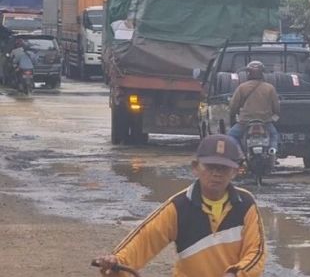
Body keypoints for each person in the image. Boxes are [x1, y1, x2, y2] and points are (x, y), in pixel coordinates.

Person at [94, 134, 266, 277]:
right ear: (195, 167)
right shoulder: (179, 206)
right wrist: (117, 261)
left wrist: (235, 274)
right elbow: (146, 238)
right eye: (210, 166)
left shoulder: (246, 204)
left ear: (236, 171)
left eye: (224, 168)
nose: (216, 173)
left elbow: (256, 252)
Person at [228, 61, 280, 154]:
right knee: (274, 135)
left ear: (248, 73)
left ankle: (239, 153)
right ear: (262, 73)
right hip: (265, 121)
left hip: (245, 121)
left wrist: (233, 114)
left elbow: (233, 105)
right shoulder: (270, 88)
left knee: (231, 136)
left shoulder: (242, 87)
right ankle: (272, 149)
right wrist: (274, 116)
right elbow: (276, 106)